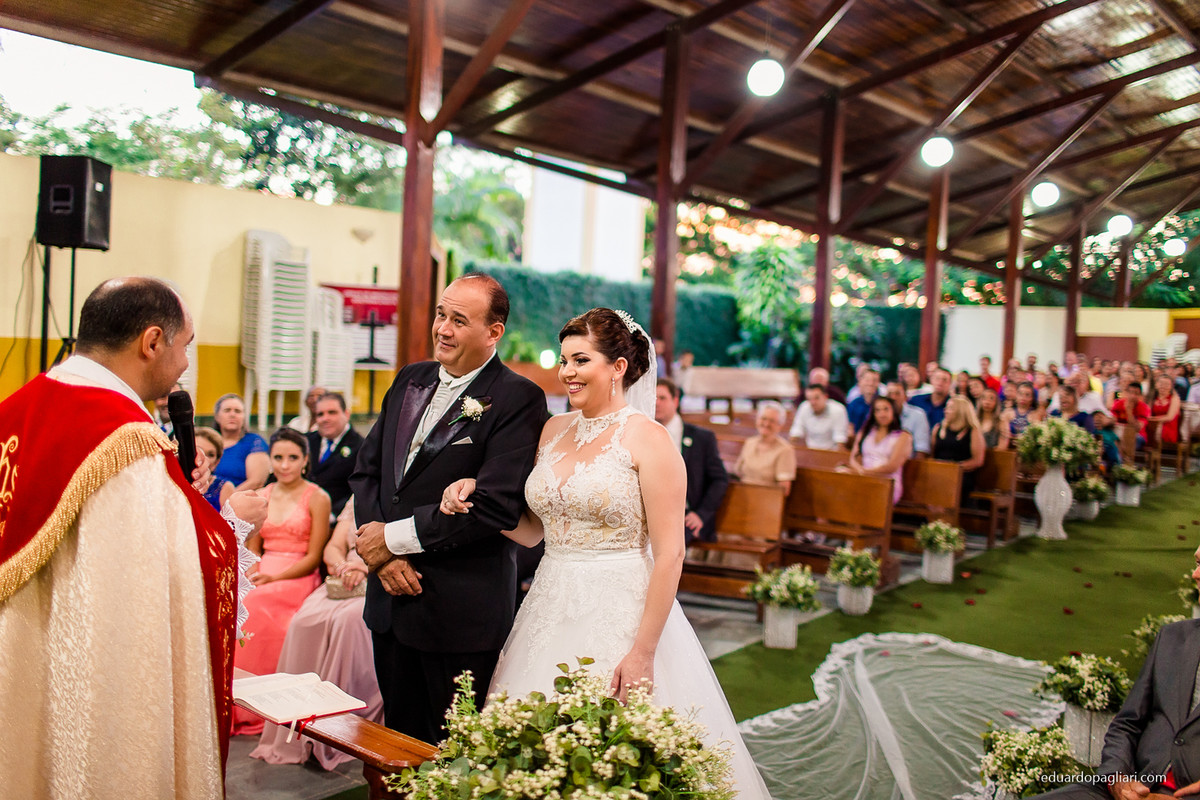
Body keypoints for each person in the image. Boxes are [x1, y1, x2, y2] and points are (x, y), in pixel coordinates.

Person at [440, 307, 772, 798]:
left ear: (617, 367)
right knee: (537, 742)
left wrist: (642, 653)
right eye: (565, 360)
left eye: (581, 360)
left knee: (615, 750)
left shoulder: (650, 439)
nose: (567, 372)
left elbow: (670, 555)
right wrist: (477, 498)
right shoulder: (553, 432)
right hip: (550, 599)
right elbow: (534, 531)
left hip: (621, 606)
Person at [0, 276, 266, 799]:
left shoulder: (19, 406)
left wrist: (179, 501)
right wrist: (230, 520)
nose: (186, 362)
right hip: (87, 687)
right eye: (185, 344)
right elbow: (148, 596)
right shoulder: (126, 442)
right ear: (151, 342)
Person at [349, 273, 547, 745]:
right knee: (395, 745)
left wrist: (391, 540)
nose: (443, 328)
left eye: (460, 320)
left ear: (493, 332)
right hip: (390, 602)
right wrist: (381, 554)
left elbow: (494, 507)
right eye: (442, 314)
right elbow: (368, 474)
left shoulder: (518, 398)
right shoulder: (409, 378)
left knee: (453, 756)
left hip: (458, 613)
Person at [1028, 545, 1200, 799]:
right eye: (1196, 563)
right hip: (1128, 789)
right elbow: (1127, 723)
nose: (1195, 574)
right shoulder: (1173, 637)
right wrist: (1117, 778)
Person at [250, 499, 384, 770]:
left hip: (378, 577)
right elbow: (333, 547)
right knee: (304, 620)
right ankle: (298, 724)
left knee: (347, 620)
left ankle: (343, 728)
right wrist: (344, 566)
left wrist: (363, 567)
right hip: (344, 576)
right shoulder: (358, 499)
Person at [232, 427, 332, 735]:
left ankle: (268, 701)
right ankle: (236, 702)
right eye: (278, 458)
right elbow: (254, 546)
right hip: (263, 569)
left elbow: (314, 557)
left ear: (305, 460)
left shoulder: (318, 497)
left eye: (292, 458)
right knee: (241, 600)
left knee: (260, 608)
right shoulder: (262, 495)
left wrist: (274, 576)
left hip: (297, 573)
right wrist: (250, 571)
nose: (284, 465)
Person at [654, 378, 728, 543]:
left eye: (662, 398)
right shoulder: (646, 434)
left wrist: (701, 514)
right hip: (652, 513)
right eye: (653, 398)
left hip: (686, 516)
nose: (656, 403)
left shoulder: (701, 437)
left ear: (675, 400)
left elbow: (720, 480)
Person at [306, 391, 363, 521]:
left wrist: (331, 515)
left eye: (332, 412)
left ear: (346, 414)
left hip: (335, 518)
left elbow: (358, 491)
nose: (325, 418)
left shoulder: (361, 447)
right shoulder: (306, 441)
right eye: (320, 414)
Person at [849, 395, 912, 504]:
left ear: (893, 411)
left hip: (887, 482)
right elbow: (853, 458)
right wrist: (859, 471)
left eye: (886, 409)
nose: (882, 414)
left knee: (858, 493)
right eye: (878, 410)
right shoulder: (865, 433)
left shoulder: (903, 436)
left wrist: (864, 472)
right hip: (863, 477)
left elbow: (892, 466)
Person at [931, 396, 987, 504]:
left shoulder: (973, 431)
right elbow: (932, 454)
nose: (945, 411)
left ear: (960, 411)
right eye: (946, 407)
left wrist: (955, 468)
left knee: (948, 483)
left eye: (950, 408)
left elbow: (978, 460)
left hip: (961, 474)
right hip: (939, 471)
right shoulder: (938, 428)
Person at [735, 401, 797, 496]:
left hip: (766, 501)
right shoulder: (749, 442)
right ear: (757, 420)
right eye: (763, 419)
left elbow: (784, 491)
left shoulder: (785, 450)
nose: (766, 424)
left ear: (780, 425)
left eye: (772, 421)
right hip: (743, 496)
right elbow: (738, 472)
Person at [214, 393, 270, 491]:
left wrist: (227, 500)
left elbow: (256, 481)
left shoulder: (254, 442)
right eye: (227, 410)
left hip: (238, 498)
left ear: (244, 417)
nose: (232, 414)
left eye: (238, 411)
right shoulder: (210, 442)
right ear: (217, 417)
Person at [790, 382, 850, 450]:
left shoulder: (838, 410)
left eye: (816, 398)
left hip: (831, 452)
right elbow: (796, 431)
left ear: (825, 397)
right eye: (809, 399)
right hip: (810, 451)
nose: (813, 402)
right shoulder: (804, 407)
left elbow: (840, 439)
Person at [886, 381, 931, 455]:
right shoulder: (880, 415)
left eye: (897, 394)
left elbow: (921, 449)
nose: (893, 397)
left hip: (908, 463)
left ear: (905, 397)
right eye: (889, 394)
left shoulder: (918, 415)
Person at [196, 425, 235, 511]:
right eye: (198, 451)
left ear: (217, 461)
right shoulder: (172, 483)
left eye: (211, 455)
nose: (204, 458)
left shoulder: (225, 487)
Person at [1111, 381, 1151, 450]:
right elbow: (1112, 420)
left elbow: (1138, 428)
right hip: (1119, 434)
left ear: (1140, 396)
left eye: (1136, 394)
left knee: (1131, 440)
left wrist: (1129, 412)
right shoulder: (1118, 404)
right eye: (1130, 392)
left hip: (1137, 436)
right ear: (1126, 393)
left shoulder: (1144, 408)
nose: (1133, 396)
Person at [1148, 373, 1181, 448]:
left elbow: (1170, 417)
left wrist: (1154, 420)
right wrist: (1150, 420)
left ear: (1171, 387)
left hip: (1167, 425)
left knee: (1157, 430)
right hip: (1153, 424)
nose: (1163, 386)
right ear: (1156, 385)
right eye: (1161, 383)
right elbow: (1148, 413)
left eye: (1167, 384)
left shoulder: (1174, 398)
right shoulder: (1153, 397)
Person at [847, 368, 882, 433]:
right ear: (860, 382)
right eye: (867, 380)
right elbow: (850, 428)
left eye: (874, 380)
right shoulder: (853, 404)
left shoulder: (883, 404)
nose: (871, 383)